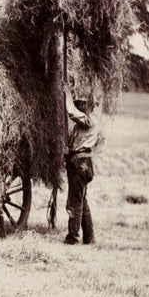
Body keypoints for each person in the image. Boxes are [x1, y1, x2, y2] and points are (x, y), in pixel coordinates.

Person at [64, 92, 99, 245]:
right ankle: (89, 238)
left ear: (87, 106)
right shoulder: (80, 126)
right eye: (77, 103)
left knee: (75, 202)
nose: (78, 106)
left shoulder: (89, 121)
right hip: (80, 163)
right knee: (82, 200)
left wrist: (67, 95)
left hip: (81, 164)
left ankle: (73, 237)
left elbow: (71, 112)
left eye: (81, 104)